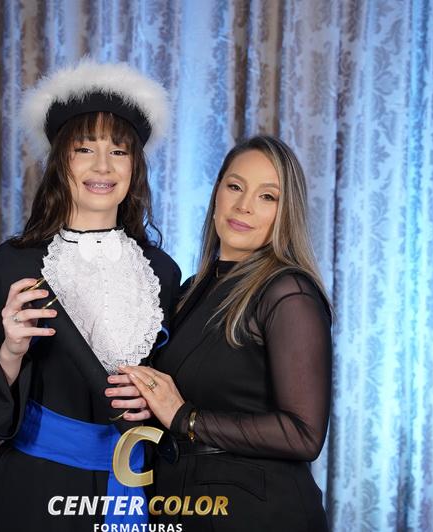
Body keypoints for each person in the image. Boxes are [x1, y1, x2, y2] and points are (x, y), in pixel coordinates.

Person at [0, 59, 180, 531]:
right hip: (34, 491)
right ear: (60, 161)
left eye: (119, 151)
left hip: (133, 484)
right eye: (84, 149)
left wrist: (155, 401)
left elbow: (175, 383)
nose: (102, 166)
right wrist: (10, 352)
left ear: (135, 166)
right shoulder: (9, 267)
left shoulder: (161, 272)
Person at [110, 135, 332, 531]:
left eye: (268, 196)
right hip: (185, 505)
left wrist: (186, 417)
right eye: (235, 186)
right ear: (217, 194)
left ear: (286, 213)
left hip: (258, 515)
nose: (244, 205)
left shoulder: (288, 292)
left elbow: (304, 435)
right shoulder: (190, 291)